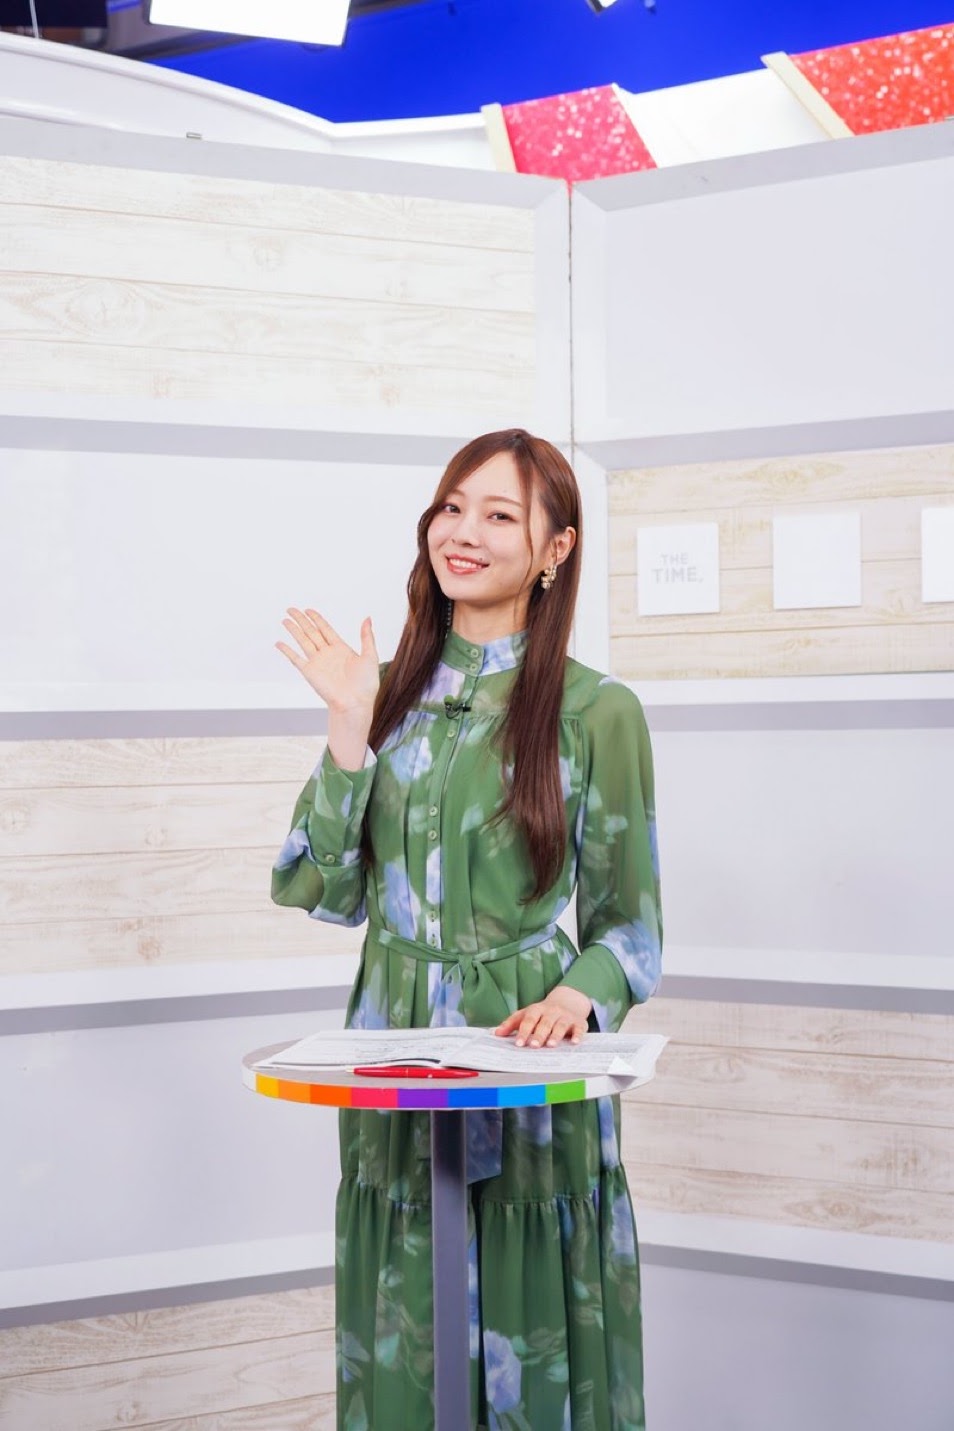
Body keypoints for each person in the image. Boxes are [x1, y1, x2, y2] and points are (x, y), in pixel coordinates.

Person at [271, 429, 662, 1431]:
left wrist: (576, 995)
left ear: (556, 548)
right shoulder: (383, 691)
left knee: (529, 1332)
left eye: (499, 514)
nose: (464, 532)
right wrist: (348, 728)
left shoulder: (598, 711)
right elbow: (321, 887)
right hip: (393, 1047)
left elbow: (630, 925)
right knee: (408, 1315)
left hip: (526, 1048)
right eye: (452, 507)